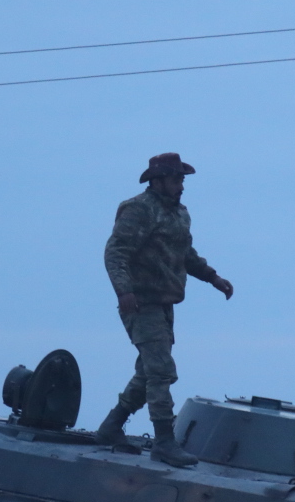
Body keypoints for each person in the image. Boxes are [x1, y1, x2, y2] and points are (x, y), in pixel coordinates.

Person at [94, 152, 234, 467]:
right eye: (176, 179)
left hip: (165, 303)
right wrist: (124, 290)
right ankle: (164, 441)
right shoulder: (139, 210)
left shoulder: (178, 214)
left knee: (147, 372)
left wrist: (213, 277)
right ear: (157, 181)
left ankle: (111, 426)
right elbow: (115, 251)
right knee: (161, 371)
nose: (181, 186)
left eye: (182, 180)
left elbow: (185, 253)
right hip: (141, 303)